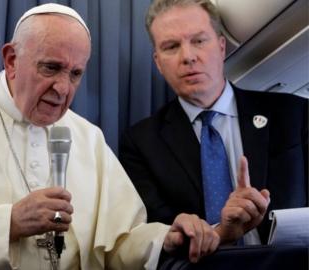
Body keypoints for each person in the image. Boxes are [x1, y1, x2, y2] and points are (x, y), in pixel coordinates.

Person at [0, 3, 220, 270]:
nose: (63, 88)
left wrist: (164, 238)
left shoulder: (88, 138)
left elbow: (119, 243)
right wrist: (8, 222)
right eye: (51, 68)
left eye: (76, 74)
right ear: (12, 60)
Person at [120, 0, 307, 246]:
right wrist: (219, 231)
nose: (188, 57)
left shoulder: (294, 113)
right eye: (171, 46)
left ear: (221, 47)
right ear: (158, 62)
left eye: (199, 41)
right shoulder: (141, 143)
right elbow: (155, 239)